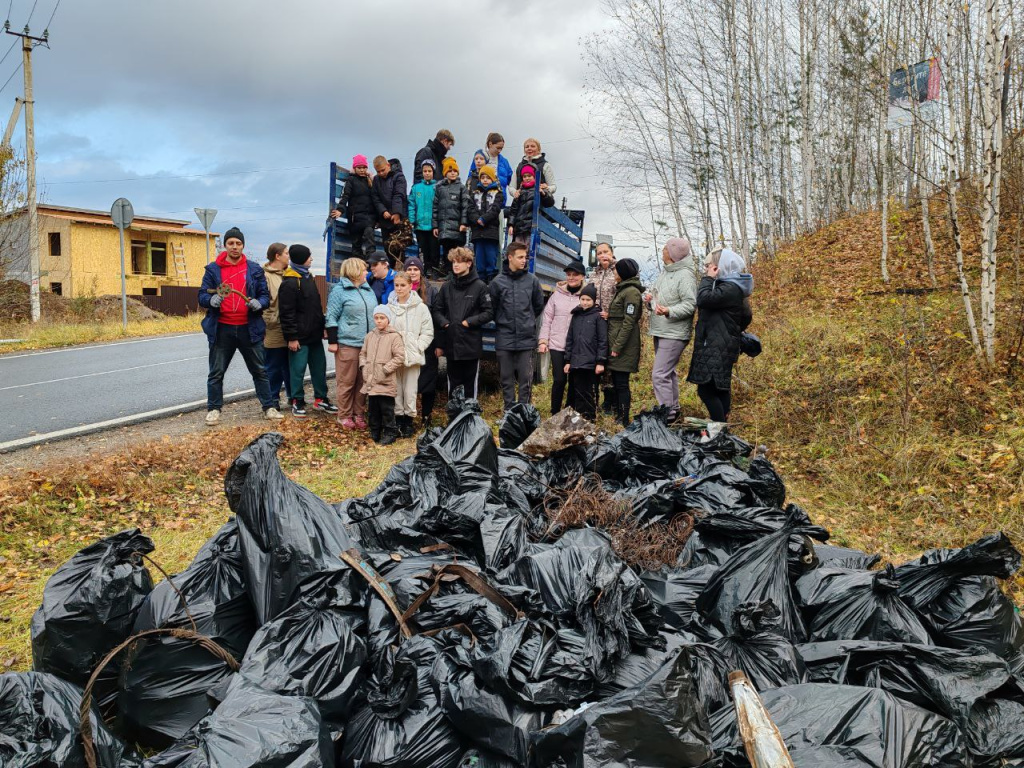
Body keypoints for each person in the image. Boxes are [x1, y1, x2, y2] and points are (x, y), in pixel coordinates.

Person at [197, 227, 284, 425]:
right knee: (216, 372)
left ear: (243, 245)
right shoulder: (213, 269)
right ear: (225, 245)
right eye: (231, 243)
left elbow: (265, 296)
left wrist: (259, 303)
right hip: (222, 329)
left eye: (238, 243)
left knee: (260, 371)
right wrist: (211, 300)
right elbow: (202, 295)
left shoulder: (254, 269)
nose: (234, 247)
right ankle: (214, 410)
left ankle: (269, 407)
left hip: (249, 328)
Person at [687, 248, 754, 423]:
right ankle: (722, 429)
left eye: (709, 265)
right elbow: (746, 316)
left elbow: (702, 299)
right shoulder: (733, 287)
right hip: (720, 344)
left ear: (719, 266)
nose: (706, 268)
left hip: (717, 345)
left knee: (706, 391)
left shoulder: (729, 288)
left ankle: (719, 429)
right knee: (719, 388)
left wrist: (708, 278)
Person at [278, 244, 335, 418]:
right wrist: (292, 337)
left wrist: (323, 327)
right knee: (298, 369)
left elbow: (316, 308)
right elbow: (286, 313)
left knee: (319, 368)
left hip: (315, 335)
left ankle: (321, 398)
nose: (311, 259)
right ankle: (297, 400)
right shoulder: (289, 282)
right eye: (309, 256)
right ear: (301, 258)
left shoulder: (308, 278)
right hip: (299, 338)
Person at [644, 237, 697, 422]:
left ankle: (666, 416)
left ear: (673, 254)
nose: (662, 250)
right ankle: (673, 411)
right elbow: (660, 299)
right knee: (668, 372)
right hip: (661, 330)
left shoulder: (685, 275)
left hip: (674, 333)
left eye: (666, 248)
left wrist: (669, 311)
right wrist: (650, 301)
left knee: (659, 374)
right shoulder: (665, 272)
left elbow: (690, 305)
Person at [490, 241, 545, 410]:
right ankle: (509, 412)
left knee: (525, 379)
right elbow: (491, 307)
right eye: (520, 257)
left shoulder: (532, 281)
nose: (524, 260)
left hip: (526, 337)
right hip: (504, 336)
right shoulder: (497, 282)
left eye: (525, 257)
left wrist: (526, 321)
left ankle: (524, 412)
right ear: (510, 257)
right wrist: (504, 321)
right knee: (506, 379)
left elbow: (538, 306)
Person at [433, 246, 493, 399]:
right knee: (453, 386)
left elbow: (489, 312)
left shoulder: (480, 286)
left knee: (469, 387)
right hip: (451, 344)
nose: (456, 265)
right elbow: (437, 310)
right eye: (454, 262)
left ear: (469, 263)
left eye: (460, 261)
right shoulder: (446, 287)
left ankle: (469, 418)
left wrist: (469, 322)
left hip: (470, 346)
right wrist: (446, 323)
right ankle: (454, 419)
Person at [325, 256, 377, 430]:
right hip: (347, 344)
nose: (367, 272)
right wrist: (333, 341)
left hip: (367, 345)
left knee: (363, 382)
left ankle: (359, 413)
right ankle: (345, 415)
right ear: (355, 271)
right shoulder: (339, 291)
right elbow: (331, 316)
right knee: (347, 382)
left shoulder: (368, 290)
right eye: (364, 269)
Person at [387, 271, 434, 437]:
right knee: (396, 389)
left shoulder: (420, 307)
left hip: (412, 355)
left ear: (410, 286)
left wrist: (418, 347)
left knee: (410, 389)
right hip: (394, 355)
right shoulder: (389, 307)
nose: (399, 289)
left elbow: (428, 331)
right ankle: (398, 419)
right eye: (397, 285)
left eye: (403, 285)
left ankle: (409, 421)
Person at [538, 260, 586, 415]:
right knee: (559, 380)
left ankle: (568, 411)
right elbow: (547, 318)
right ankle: (554, 412)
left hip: (577, 347)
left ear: (582, 276)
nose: (571, 278)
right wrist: (543, 340)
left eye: (575, 275)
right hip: (557, 344)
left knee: (574, 381)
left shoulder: (586, 296)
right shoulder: (556, 295)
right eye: (569, 275)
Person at [360, 305, 405, 445]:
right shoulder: (370, 336)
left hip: (385, 380)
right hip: (371, 380)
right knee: (373, 409)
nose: (379, 321)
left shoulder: (394, 337)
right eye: (376, 318)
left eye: (382, 318)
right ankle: (375, 431)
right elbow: (363, 353)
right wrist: (364, 367)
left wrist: (385, 369)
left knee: (387, 409)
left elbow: (399, 357)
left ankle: (390, 432)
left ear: (388, 319)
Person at [606, 257, 644, 426]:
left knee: (621, 383)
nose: (614, 272)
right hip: (617, 342)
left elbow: (629, 321)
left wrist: (617, 346)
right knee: (616, 381)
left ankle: (623, 419)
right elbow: (619, 315)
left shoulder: (631, 292)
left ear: (623, 272)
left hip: (624, 345)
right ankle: (619, 416)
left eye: (616, 270)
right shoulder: (623, 290)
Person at [404, 257, 441, 425]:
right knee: (408, 382)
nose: (412, 273)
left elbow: (438, 318)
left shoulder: (431, 291)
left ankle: (426, 416)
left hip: (427, 342)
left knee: (428, 381)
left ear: (421, 271)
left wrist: (439, 344)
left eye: (415, 269)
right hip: (407, 343)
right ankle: (408, 416)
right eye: (409, 269)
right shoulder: (400, 290)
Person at [562, 284, 607, 421]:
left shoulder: (598, 317)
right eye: (583, 299)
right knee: (574, 391)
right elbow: (570, 339)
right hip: (575, 362)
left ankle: (588, 419)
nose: (585, 302)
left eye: (588, 300)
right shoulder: (576, 315)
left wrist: (600, 361)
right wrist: (568, 360)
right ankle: (573, 420)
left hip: (590, 363)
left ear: (594, 301)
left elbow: (603, 340)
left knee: (587, 393)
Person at [587, 241, 618, 413]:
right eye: (599, 253)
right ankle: (597, 398)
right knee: (597, 358)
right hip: (595, 324)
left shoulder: (619, 272)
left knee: (610, 361)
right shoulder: (594, 274)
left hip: (612, 324)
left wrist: (611, 313)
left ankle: (611, 400)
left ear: (612, 253)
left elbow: (625, 298)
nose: (602, 255)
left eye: (606, 252)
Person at [262, 242, 292, 409]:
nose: (289, 256)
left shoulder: (289, 274)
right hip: (273, 327)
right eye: (286, 253)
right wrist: (268, 322)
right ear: (277, 256)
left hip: (289, 326)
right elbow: (264, 302)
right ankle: (272, 399)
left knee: (290, 365)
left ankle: (292, 396)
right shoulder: (265, 276)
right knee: (273, 365)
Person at [330, 155, 376, 259]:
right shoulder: (351, 180)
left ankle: (372, 263)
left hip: (368, 218)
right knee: (356, 245)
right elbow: (345, 196)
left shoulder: (370, 181)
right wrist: (340, 210)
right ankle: (357, 268)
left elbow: (376, 199)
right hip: (355, 219)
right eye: (359, 167)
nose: (362, 170)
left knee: (369, 238)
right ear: (354, 168)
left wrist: (372, 177)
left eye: (364, 167)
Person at [432, 157, 470, 272]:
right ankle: (447, 271)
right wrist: (435, 225)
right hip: (444, 228)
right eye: (450, 171)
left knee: (457, 252)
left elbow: (465, 206)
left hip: (457, 227)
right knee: (447, 251)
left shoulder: (461, 188)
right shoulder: (439, 188)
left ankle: (456, 273)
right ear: (445, 173)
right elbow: (435, 208)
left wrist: (464, 223)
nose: (452, 173)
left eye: (454, 171)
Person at [469, 164, 504, 283]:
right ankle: (480, 281)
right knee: (479, 258)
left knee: (491, 257)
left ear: (492, 179)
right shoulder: (474, 194)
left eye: (488, 178)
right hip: (478, 232)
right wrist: (476, 219)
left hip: (491, 232)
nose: (485, 180)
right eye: (483, 177)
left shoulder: (498, 194)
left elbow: (495, 209)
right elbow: (470, 209)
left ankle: (491, 280)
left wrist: (484, 219)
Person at [371, 156, 409, 260]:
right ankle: (391, 271)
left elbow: (399, 195)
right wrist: (383, 211)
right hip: (385, 220)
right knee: (387, 248)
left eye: (383, 170)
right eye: (378, 171)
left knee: (399, 247)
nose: (381, 173)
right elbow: (375, 197)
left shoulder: (399, 176)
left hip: (399, 218)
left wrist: (396, 213)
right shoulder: (376, 180)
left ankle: (401, 270)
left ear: (388, 165)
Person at [507, 164, 554, 245]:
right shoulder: (519, 192)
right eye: (524, 176)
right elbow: (513, 210)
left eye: (529, 176)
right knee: (519, 250)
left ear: (534, 176)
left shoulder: (539, 188)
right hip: (519, 228)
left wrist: (543, 193)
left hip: (531, 227)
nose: (527, 178)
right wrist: (511, 225)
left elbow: (550, 202)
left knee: (529, 251)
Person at [408, 159, 441, 276]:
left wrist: (438, 223)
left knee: (434, 249)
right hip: (420, 225)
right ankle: (423, 269)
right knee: (422, 249)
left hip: (433, 226)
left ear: (433, 172)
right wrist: (412, 220)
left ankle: (434, 269)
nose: (427, 173)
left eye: (429, 171)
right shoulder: (416, 188)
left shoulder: (438, 187)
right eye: (425, 171)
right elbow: (411, 204)